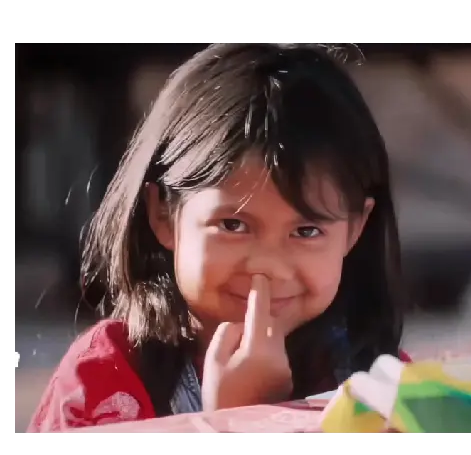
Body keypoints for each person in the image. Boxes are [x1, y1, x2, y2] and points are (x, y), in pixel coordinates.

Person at [28, 42, 409, 433]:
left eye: (306, 231)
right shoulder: (102, 380)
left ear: (355, 229)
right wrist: (236, 419)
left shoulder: (383, 388)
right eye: (233, 225)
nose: (267, 266)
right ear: (163, 214)